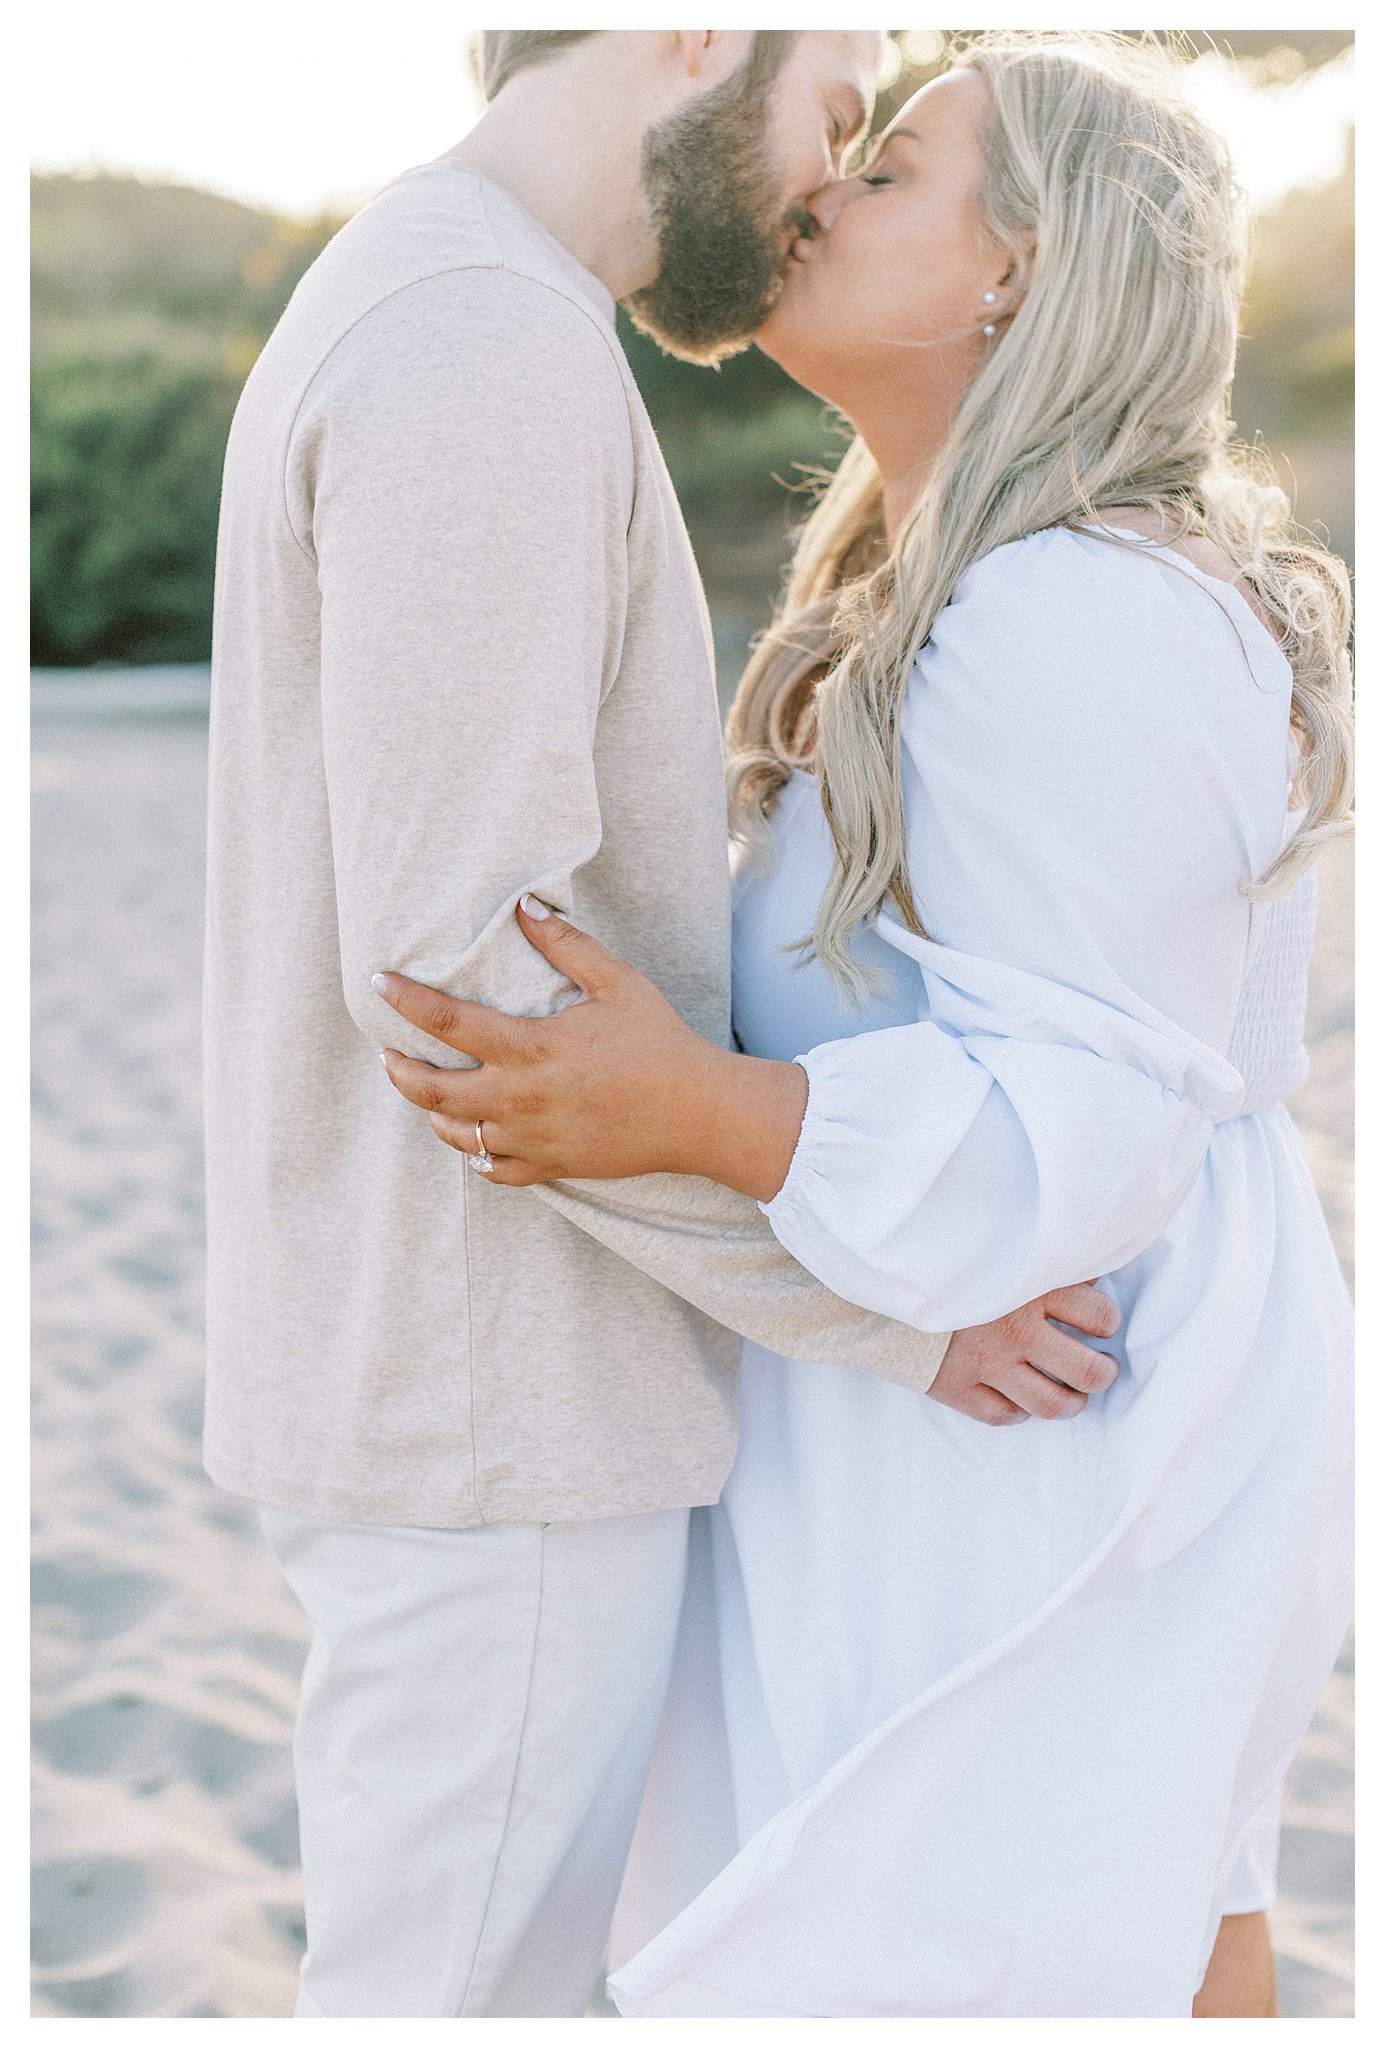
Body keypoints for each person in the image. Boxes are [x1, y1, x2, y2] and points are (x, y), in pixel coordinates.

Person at [374, 32, 1355, 2018]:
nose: (821, 189)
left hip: (1050, 1408)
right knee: (1143, 1927)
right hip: (1008, 1381)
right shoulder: (965, 598)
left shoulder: (1068, 618)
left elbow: (1091, 1128)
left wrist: (694, 1110)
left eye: (895, 172)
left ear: (1021, 266)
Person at [202, 28, 1119, 2021]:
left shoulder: (462, 304)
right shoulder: (480, 341)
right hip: (495, 1405)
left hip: (467, 1390)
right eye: (839, 98)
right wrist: (895, 1301)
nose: (829, 168)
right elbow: (473, 997)